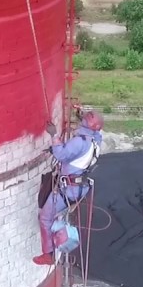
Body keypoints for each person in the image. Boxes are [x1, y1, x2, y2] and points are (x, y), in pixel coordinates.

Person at [35, 109, 102, 266]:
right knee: (58, 213)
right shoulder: (96, 140)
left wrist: (54, 135)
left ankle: (48, 254)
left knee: (45, 218)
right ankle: (59, 230)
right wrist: (82, 117)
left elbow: (61, 155)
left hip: (68, 188)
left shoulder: (79, 142)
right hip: (80, 187)